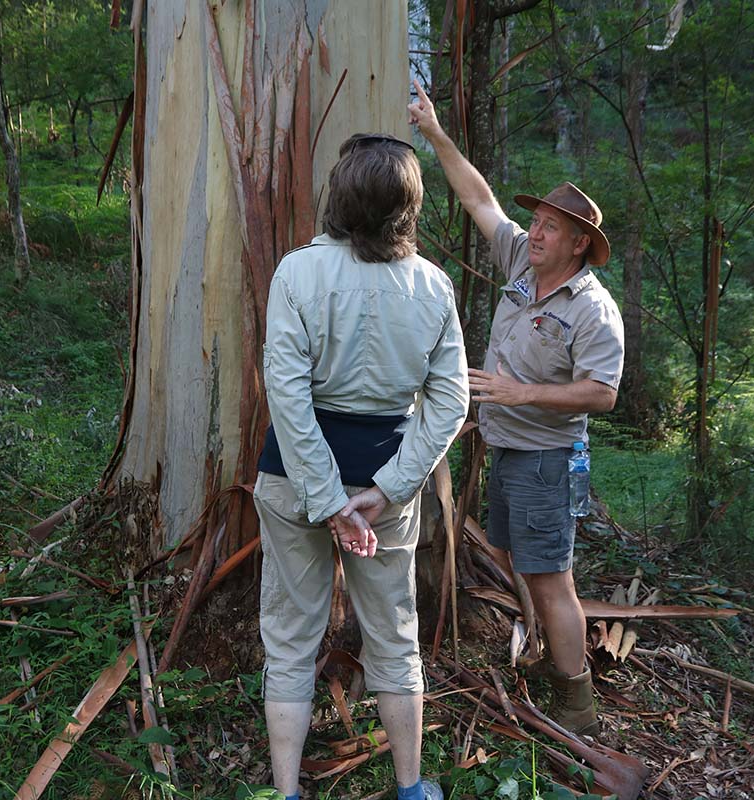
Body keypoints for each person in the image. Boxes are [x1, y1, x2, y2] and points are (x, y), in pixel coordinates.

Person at [255, 132, 469, 800]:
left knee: (289, 638)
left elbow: (286, 396)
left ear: (341, 198)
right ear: (409, 207)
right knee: (394, 637)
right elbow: (452, 400)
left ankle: (287, 793)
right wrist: (384, 491)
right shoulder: (432, 285)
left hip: (294, 484)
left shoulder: (297, 272)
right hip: (385, 490)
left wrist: (327, 500)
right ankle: (411, 788)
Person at [408, 80, 624, 737]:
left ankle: (576, 703)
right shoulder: (520, 267)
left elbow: (603, 393)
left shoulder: (592, 309)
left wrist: (521, 394)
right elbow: (477, 197)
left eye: (551, 228)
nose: (535, 232)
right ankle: (544, 659)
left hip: (548, 462)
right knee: (517, 558)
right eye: (536, 221)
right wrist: (436, 132)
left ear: (579, 243)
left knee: (553, 579)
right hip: (509, 451)